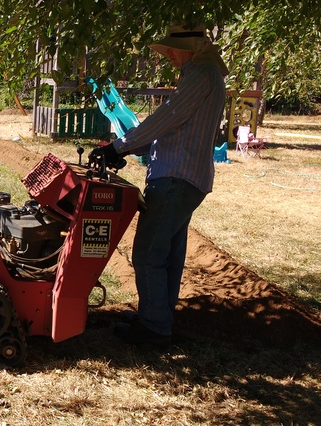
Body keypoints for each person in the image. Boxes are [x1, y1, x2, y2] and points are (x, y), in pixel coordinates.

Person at [90, 24, 229, 346]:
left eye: (171, 49)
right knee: (167, 255)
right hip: (186, 176)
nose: (167, 54)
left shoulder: (201, 74)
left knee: (149, 254)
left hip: (176, 177)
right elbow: (176, 130)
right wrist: (130, 148)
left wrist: (118, 147)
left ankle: (154, 327)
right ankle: (157, 316)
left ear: (190, 48)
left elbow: (167, 118)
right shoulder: (205, 75)